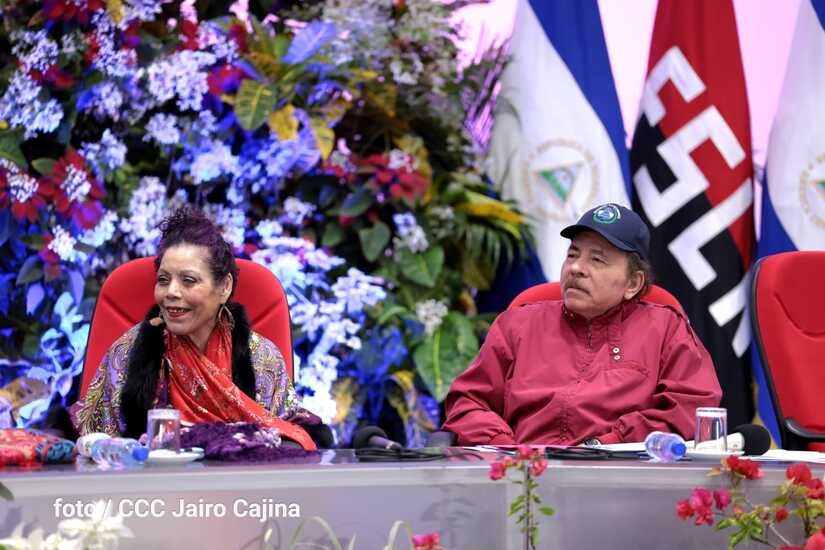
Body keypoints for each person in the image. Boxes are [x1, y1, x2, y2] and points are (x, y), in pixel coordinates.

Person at [442, 203, 721, 446]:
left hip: (621, 483)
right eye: (572, 255)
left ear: (633, 283)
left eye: (597, 259)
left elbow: (690, 406)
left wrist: (606, 445)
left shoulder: (665, 329)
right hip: (523, 482)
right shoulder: (518, 324)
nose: (576, 268)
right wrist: (507, 450)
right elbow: (468, 402)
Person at [71, 206, 318, 450]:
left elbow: (286, 445)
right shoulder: (128, 351)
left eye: (188, 280)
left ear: (224, 287)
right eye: (163, 280)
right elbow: (96, 445)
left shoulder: (261, 358)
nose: (171, 292)